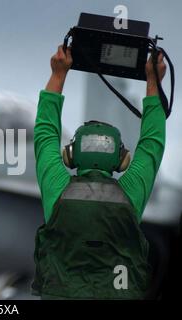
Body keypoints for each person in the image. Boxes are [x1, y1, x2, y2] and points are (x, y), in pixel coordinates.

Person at [31, 45, 167, 299]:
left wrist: (58, 75)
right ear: (121, 159)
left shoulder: (58, 190)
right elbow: (152, 144)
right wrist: (153, 82)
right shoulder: (130, 195)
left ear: (71, 155)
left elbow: (45, 136)